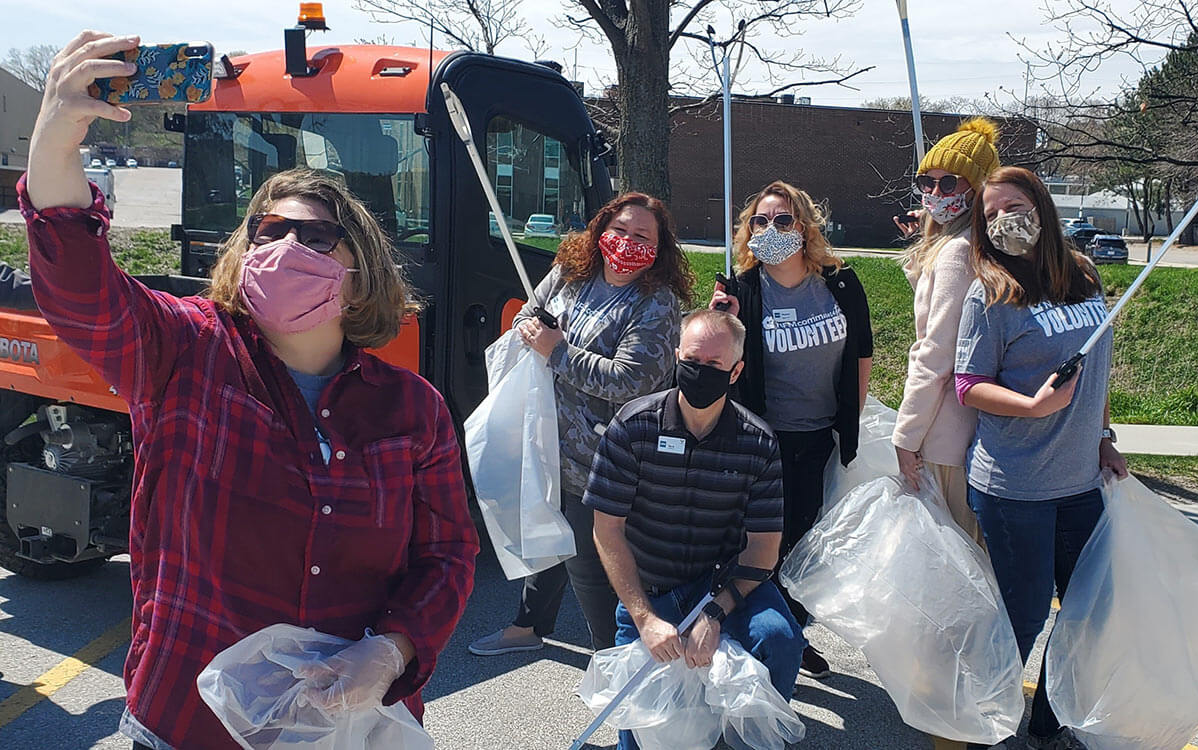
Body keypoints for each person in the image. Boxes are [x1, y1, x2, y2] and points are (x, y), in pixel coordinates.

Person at [23, 32, 478, 750]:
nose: (286, 249)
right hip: (188, 722)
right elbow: (82, 291)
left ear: (359, 269)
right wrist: (55, 140)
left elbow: (448, 554)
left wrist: (392, 650)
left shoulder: (412, 408)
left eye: (316, 237)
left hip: (347, 727)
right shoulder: (182, 352)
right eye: (268, 231)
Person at [469, 193, 692, 656]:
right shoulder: (573, 273)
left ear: (659, 246)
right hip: (549, 437)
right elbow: (531, 315)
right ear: (601, 230)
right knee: (545, 528)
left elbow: (632, 380)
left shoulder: (656, 303)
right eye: (620, 230)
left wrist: (557, 351)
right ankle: (529, 626)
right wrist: (535, 332)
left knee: (592, 563)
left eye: (641, 236)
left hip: (609, 456)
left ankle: (612, 657)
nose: (627, 242)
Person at [955, 167, 1128, 750]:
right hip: (1015, 484)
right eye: (992, 211)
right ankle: (984, 718)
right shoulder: (989, 290)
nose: (1006, 218)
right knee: (1023, 617)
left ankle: (1048, 722)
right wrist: (1031, 406)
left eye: (1016, 204)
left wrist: (1105, 437)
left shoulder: (1081, 275)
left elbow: (1097, 369)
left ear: (1042, 206)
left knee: (1085, 614)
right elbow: (968, 384)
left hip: (1081, 480)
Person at [588, 309, 805, 750]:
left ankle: (751, 738)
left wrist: (717, 611)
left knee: (781, 641)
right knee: (644, 721)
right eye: (691, 361)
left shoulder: (758, 442)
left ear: (736, 371)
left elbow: (763, 548)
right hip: (652, 584)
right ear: (675, 357)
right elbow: (606, 530)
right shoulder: (633, 426)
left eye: (713, 366)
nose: (699, 373)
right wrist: (646, 619)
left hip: (721, 581)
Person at [708, 180, 873, 679]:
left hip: (819, 435)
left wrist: (852, 421)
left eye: (783, 220)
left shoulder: (840, 283)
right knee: (761, 543)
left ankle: (791, 632)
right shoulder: (742, 289)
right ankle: (767, 637)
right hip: (762, 440)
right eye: (761, 221)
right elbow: (719, 358)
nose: (771, 229)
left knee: (805, 541)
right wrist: (723, 319)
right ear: (748, 230)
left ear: (803, 227)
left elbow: (861, 354)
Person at [890, 118, 1001, 547]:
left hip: (942, 437)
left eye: (949, 183)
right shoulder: (972, 243)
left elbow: (936, 351)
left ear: (976, 190)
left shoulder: (957, 251)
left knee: (951, 561)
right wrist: (925, 242)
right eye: (926, 181)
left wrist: (907, 435)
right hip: (963, 431)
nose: (934, 193)